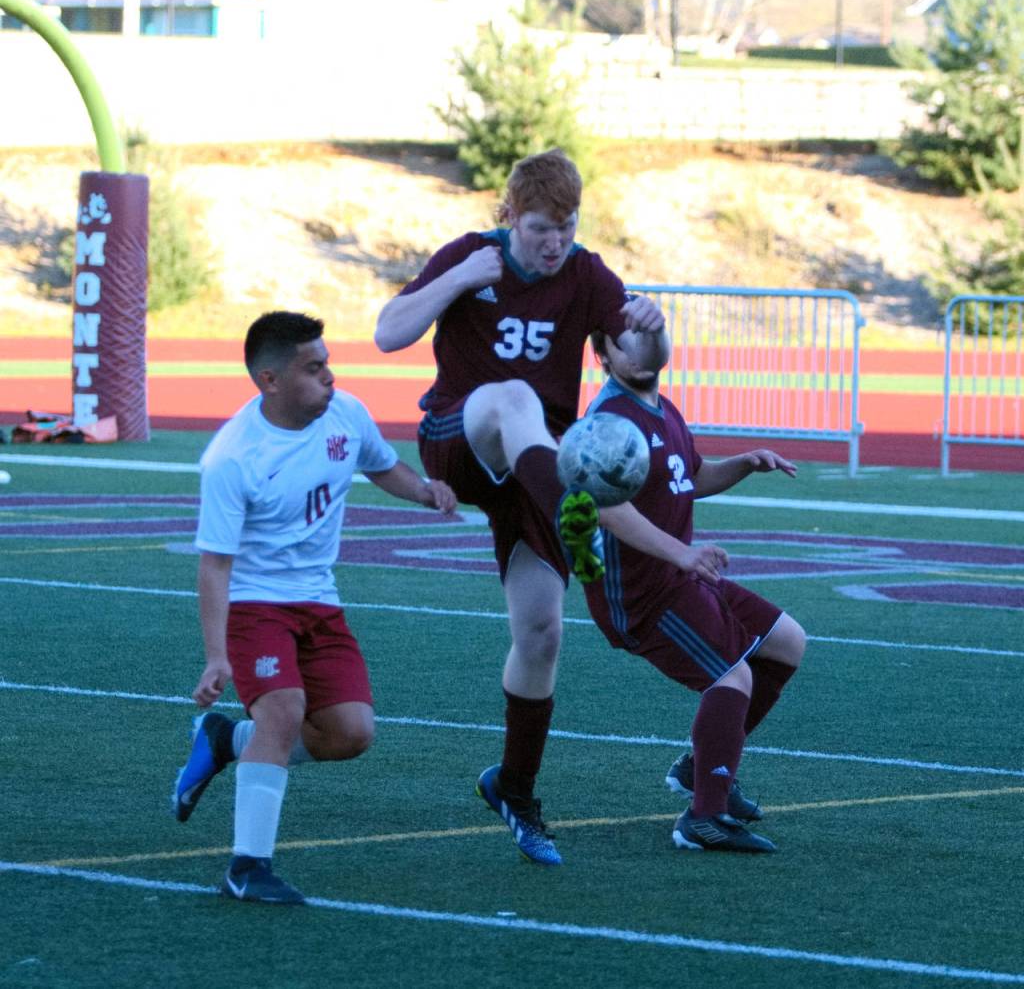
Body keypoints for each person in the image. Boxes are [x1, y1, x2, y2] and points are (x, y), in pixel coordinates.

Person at [374, 149, 671, 866]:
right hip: (460, 436)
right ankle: (578, 517)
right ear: (508, 216)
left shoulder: (585, 273)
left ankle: (514, 786)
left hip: (539, 460)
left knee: (541, 635)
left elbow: (639, 360)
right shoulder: (472, 255)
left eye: (566, 227)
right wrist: (454, 281)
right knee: (512, 395)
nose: (555, 242)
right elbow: (387, 334)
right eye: (541, 227)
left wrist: (654, 329)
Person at [171, 310, 456, 904]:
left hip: (319, 600)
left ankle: (227, 741)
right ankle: (247, 869)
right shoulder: (232, 457)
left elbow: (383, 466)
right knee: (283, 712)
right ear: (270, 380)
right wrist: (215, 655)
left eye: (327, 363)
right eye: (314, 367)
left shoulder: (346, 413)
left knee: (350, 733)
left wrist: (423, 490)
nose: (330, 376)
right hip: (256, 603)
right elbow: (215, 565)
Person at [582, 329, 807, 852]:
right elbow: (608, 509)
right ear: (603, 355)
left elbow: (696, 475)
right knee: (733, 675)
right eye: (622, 340)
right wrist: (683, 554)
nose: (637, 346)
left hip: (679, 576)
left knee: (787, 642)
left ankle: (701, 770)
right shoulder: (609, 422)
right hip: (640, 594)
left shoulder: (664, 409)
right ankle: (703, 818)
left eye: (646, 334)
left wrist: (746, 463)